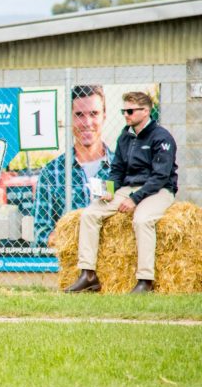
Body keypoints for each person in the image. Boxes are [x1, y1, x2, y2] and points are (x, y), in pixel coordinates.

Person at [65, 91, 178, 294]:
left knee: (142, 220)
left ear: (146, 111)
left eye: (130, 111)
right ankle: (88, 275)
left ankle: (145, 281)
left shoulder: (162, 137)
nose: (126, 115)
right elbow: (117, 170)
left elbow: (160, 177)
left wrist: (134, 199)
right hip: (129, 188)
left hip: (158, 190)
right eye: (123, 111)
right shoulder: (125, 136)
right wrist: (109, 190)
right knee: (90, 214)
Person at [31, 85, 115, 249]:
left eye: (94, 114)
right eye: (79, 115)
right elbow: (40, 234)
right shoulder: (52, 173)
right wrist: (79, 239)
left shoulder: (120, 168)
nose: (87, 122)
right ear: (69, 119)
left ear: (104, 117)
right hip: (69, 267)